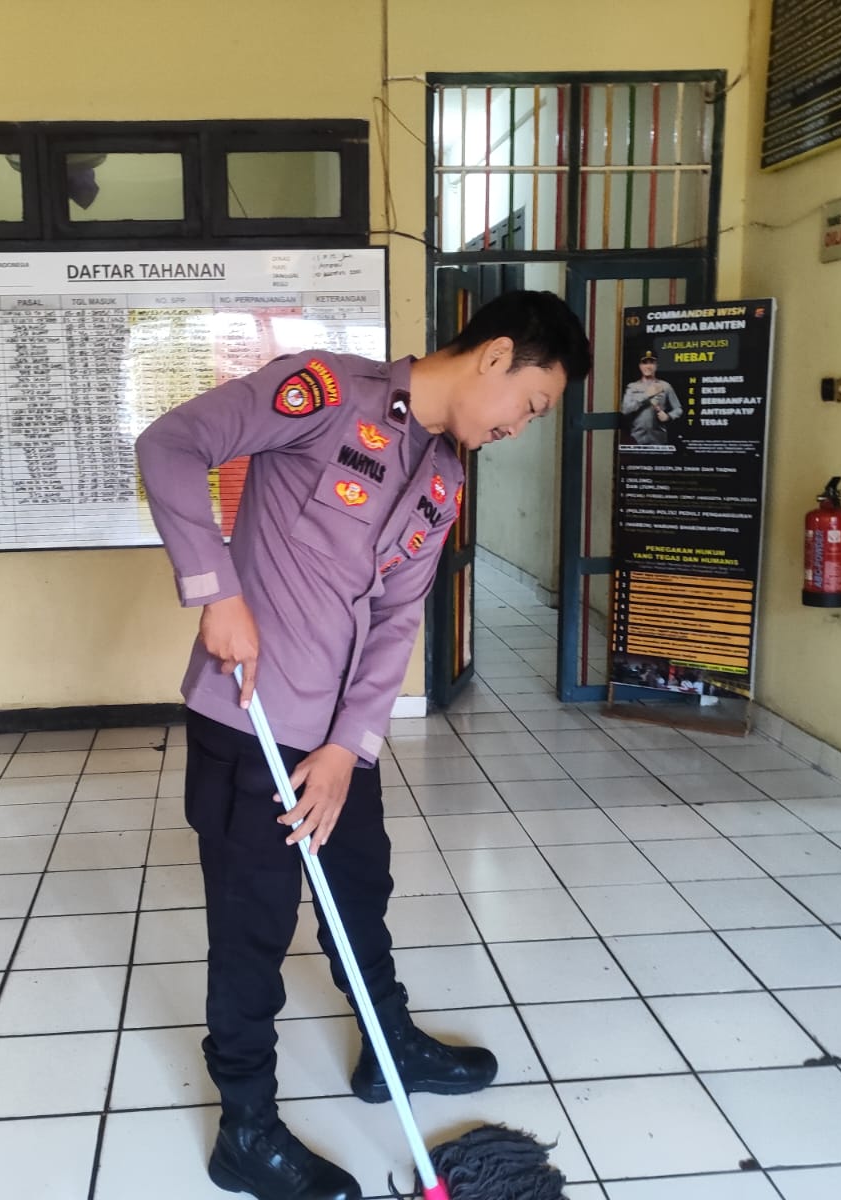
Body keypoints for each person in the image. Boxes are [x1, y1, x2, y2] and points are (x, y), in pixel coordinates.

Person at [136, 291, 591, 1200]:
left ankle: (389, 1047)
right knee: (253, 931)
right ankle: (246, 1128)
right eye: (532, 404)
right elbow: (170, 444)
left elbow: (394, 621)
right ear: (495, 356)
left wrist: (349, 746)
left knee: (359, 891)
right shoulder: (328, 394)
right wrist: (215, 589)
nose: (520, 427)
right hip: (250, 722)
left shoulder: (445, 479)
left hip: (335, 743)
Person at [621, 349, 683, 445]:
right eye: (645, 363)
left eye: (652, 363)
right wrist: (646, 395)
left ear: (657, 365)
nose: (648, 366)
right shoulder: (632, 387)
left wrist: (668, 416)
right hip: (636, 439)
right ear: (640, 366)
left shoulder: (665, 386)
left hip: (658, 440)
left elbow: (678, 409)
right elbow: (625, 410)